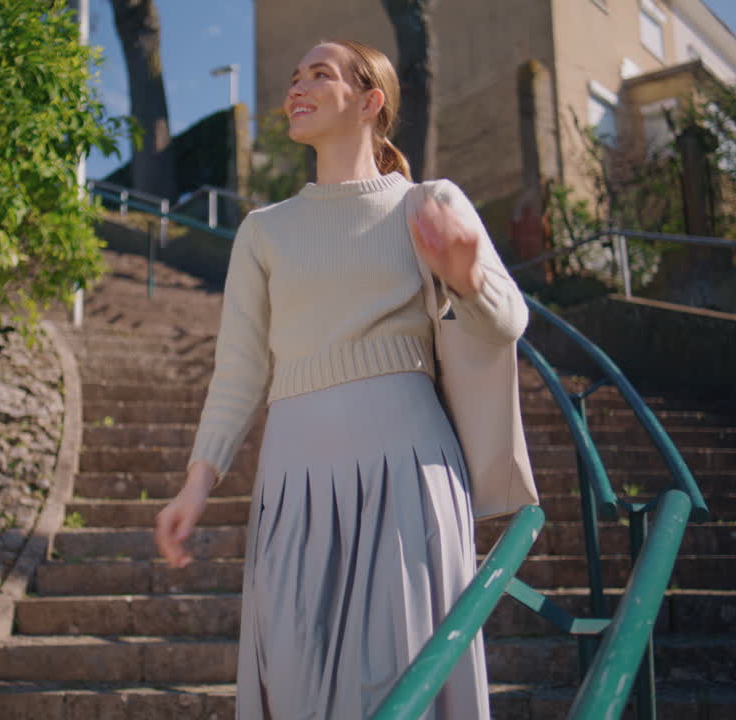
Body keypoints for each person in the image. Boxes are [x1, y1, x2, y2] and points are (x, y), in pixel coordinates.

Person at [153, 39, 527, 719]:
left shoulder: (428, 203)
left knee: (406, 681)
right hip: (293, 481)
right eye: (294, 77)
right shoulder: (263, 232)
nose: (296, 87)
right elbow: (239, 370)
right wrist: (197, 482)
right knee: (294, 682)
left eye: (319, 75)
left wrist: (467, 278)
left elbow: (508, 322)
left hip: (410, 472)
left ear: (370, 102)